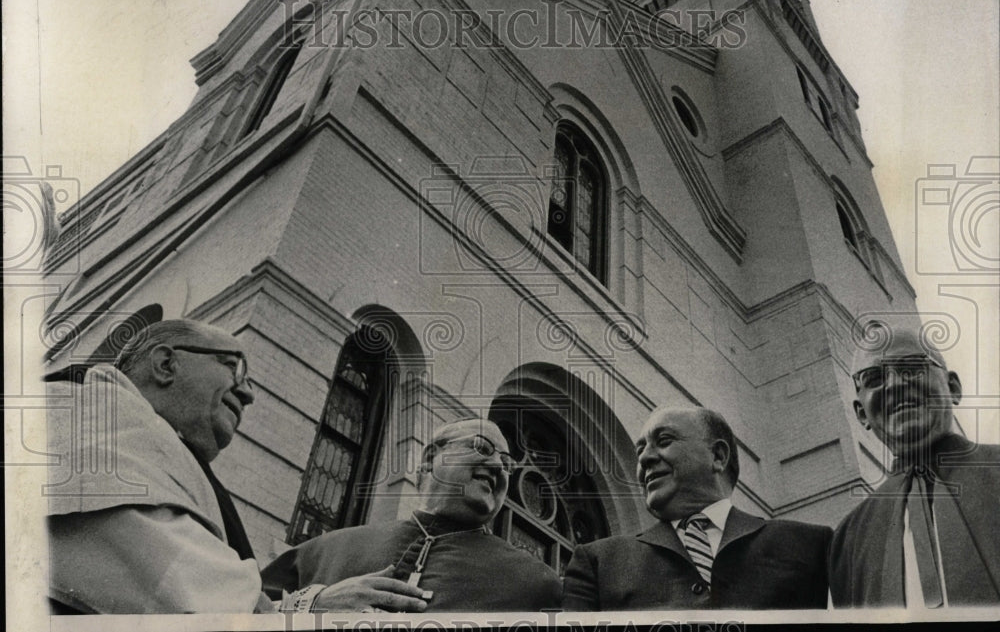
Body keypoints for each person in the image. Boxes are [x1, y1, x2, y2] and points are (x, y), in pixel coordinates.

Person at [47, 319, 276, 613]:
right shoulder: (70, 409)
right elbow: (172, 577)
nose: (248, 394)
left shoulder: (188, 466)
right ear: (166, 364)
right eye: (234, 367)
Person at [261, 418, 562, 612]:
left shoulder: (537, 584)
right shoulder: (320, 553)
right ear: (431, 457)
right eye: (483, 447)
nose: (498, 467)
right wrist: (310, 605)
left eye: (508, 463)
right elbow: (233, 615)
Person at [562, 406, 831, 609]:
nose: (644, 458)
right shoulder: (597, 563)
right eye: (640, 450)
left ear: (718, 456)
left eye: (664, 441)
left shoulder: (811, 545)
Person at [829, 324, 1000, 607]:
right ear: (862, 414)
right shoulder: (849, 540)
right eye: (874, 378)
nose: (894, 383)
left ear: (953, 387)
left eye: (912, 367)